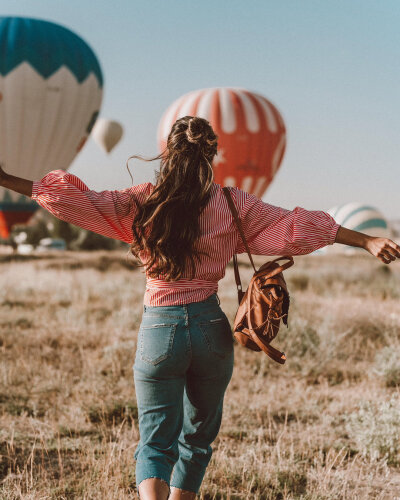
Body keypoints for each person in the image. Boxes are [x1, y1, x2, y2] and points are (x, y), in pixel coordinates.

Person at [0, 116, 399, 500]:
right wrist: (365, 240)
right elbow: (297, 224)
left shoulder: (143, 201)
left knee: (155, 442)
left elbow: (73, 200)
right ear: (211, 156)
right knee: (197, 438)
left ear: (168, 153)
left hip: (159, 329)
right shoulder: (231, 202)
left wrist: (4, 179)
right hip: (211, 327)